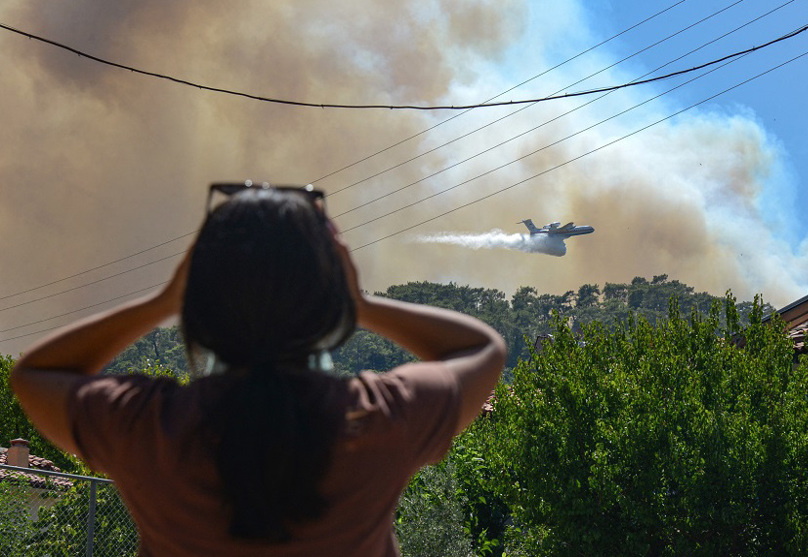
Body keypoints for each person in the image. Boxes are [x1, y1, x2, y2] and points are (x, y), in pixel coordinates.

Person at [10, 183, 507, 556]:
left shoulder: (150, 427)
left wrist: (165, 300)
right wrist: (356, 300)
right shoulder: (378, 419)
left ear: (200, 304)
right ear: (325, 305)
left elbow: (35, 375)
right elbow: (481, 347)